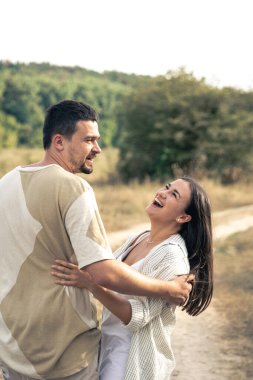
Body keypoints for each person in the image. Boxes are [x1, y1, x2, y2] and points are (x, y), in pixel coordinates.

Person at [0, 100, 193, 380]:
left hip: (12, 347)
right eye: (89, 139)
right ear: (59, 142)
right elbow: (101, 271)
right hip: (63, 353)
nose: (98, 149)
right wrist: (168, 290)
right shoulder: (73, 187)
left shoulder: (5, 183)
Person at [51, 176, 213, 380]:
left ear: (182, 217)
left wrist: (91, 284)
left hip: (132, 360)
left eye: (174, 195)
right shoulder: (140, 236)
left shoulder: (172, 255)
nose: (162, 192)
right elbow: (110, 273)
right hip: (109, 346)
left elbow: (137, 317)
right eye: (166, 186)